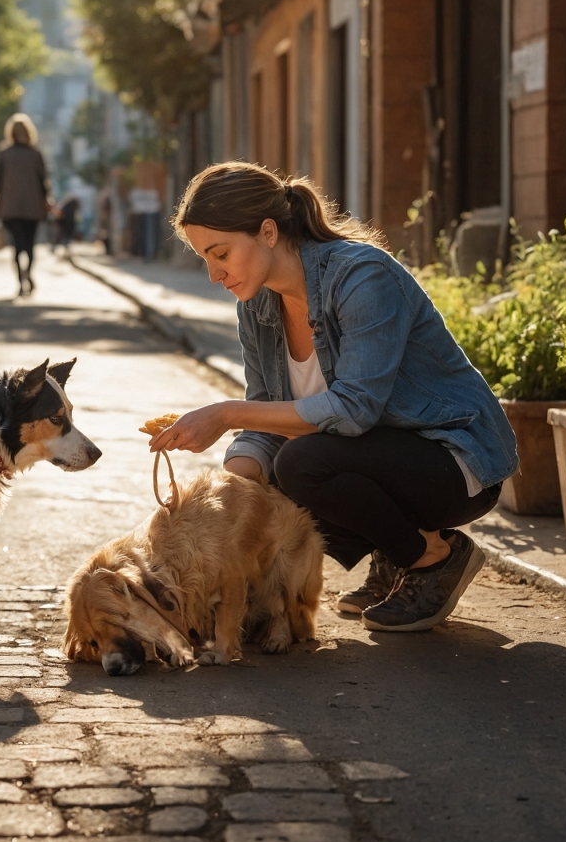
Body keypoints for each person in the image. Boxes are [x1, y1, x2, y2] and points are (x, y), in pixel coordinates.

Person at [148, 162, 518, 633]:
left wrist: (224, 414)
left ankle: (431, 556)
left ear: (266, 231)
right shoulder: (258, 304)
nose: (213, 274)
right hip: (382, 459)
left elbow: (354, 409)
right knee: (270, 488)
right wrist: (221, 501)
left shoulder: (361, 276)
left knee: (301, 463)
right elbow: (265, 419)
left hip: (456, 464)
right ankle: (398, 548)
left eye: (220, 253)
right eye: (205, 258)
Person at [0, 114, 50, 296]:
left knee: (17, 246)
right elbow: (44, 182)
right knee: (30, 246)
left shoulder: (5, 154)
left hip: (11, 209)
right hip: (33, 209)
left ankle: (20, 281)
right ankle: (28, 274)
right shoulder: (36, 154)